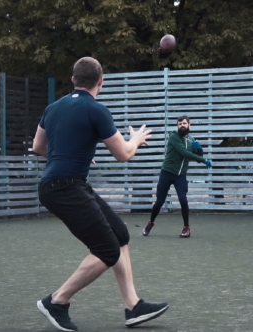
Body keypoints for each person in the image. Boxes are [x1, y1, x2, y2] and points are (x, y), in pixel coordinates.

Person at [32, 57, 169, 332]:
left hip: (58, 185)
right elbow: (124, 154)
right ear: (101, 82)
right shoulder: (96, 110)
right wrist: (137, 140)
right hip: (66, 187)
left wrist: (71, 153)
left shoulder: (53, 108)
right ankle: (57, 301)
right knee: (107, 250)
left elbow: (38, 147)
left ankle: (133, 306)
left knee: (120, 235)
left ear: (73, 79)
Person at [142, 115, 212, 238]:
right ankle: (150, 223)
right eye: (179, 124)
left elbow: (195, 154)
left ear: (189, 125)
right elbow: (184, 153)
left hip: (181, 175)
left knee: (183, 200)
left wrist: (200, 149)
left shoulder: (191, 139)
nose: (182, 125)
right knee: (159, 201)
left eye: (184, 123)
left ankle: (186, 228)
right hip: (167, 173)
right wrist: (203, 159)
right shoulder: (174, 137)